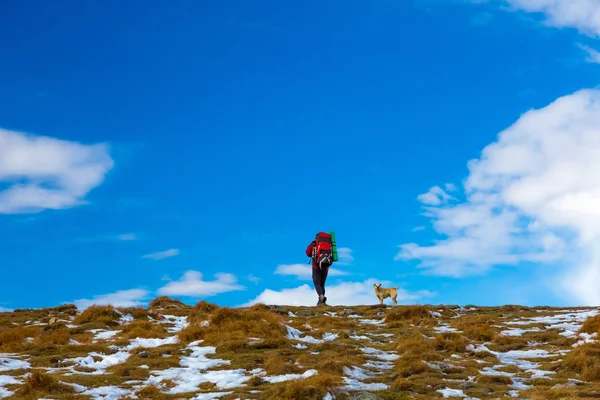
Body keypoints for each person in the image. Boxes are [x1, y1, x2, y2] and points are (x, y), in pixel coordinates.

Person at [306, 235, 331, 306]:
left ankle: (321, 296)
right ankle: (322, 301)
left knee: (317, 284)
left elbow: (307, 252)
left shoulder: (314, 243)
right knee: (322, 284)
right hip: (325, 266)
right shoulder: (329, 244)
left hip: (316, 266)